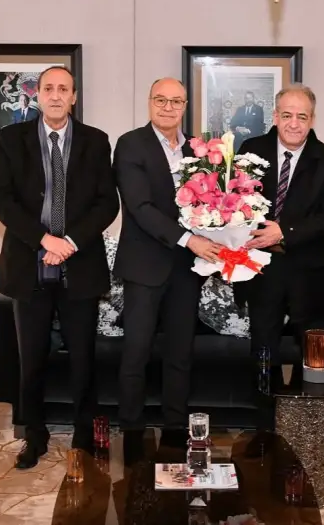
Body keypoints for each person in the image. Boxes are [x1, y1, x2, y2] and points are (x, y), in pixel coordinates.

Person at [0, 65, 120, 469]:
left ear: (74, 96)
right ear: (38, 96)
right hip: (29, 264)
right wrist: (44, 241)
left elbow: (107, 202)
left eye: (64, 89)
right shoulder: (12, 139)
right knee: (32, 358)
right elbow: (1, 199)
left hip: (79, 265)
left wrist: (69, 243)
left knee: (83, 357)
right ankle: (35, 435)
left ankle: (84, 434)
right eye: (49, 88)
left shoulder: (96, 141)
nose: (56, 95)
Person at [113, 77, 223, 448]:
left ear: (185, 106)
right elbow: (140, 207)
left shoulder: (198, 149)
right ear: (149, 102)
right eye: (160, 99)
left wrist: (224, 229)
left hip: (186, 269)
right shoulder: (130, 144)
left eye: (176, 101)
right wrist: (191, 239)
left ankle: (176, 431)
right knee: (136, 354)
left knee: (180, 353)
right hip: (145, 266)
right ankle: (131, 431)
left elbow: (209, 204)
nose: (168, 107)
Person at [237, 84, 324, 456]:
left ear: (312, 119)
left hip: (311, 273)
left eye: (302, 116)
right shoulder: (252, 150)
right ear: (275, 116)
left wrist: (286, 231)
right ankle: (264, 430)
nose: (294, 123)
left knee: (313, 356)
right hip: (263, 273)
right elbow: (237, 202)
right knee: (262, 352)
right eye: (287, 114)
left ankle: (308, 433)